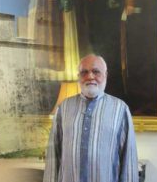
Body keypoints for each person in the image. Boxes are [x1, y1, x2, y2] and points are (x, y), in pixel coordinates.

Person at [43, 54, 138, 182]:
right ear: (78, 77)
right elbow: (53, 154)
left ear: (105, 75)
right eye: (84, 72)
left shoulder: (120, 109)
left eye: (96, 71)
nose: (90, 76)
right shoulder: (64, 107)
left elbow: (128, 159)